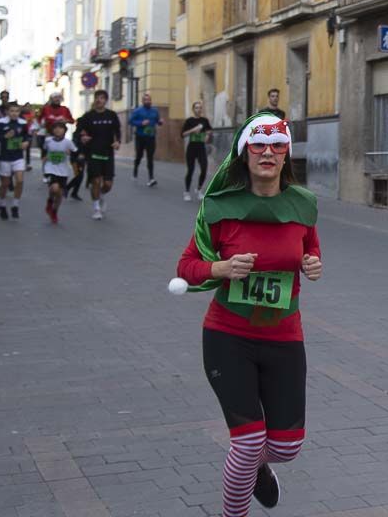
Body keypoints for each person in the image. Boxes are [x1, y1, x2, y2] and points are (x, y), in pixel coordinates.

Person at [175, 113, 322, 517]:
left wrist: (312, 265)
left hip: (285, 337)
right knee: (246, 440)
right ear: (244, 152)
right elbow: (186, 267)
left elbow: (310, 249)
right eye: (259, 145)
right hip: (228, 336)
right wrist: (220, 269)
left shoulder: (303, 205)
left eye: (277, 146)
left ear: (286, 153)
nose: (268, 153)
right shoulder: (219, 207)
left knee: (286, 447)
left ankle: (258, 467)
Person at [75, 90, 121, 220]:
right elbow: (79, 131)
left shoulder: (111, 115)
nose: (99, 100)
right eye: (97, 98)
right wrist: (83, 137)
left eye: (102, 98)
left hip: (107, 153)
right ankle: (96, 209)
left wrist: (117, 142)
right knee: (95, 180)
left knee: (107, 184)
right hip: (93, 152)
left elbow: (117, 131)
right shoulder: (88, 116)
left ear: (106, 100)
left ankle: (101, 195)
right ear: (94, 100)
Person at [0, 101, 29, 219]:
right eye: (12, 111)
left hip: (18, 156)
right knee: (5, 184)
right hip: (4, 157)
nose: (14, 113)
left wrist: (26, 142)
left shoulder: (23, 123)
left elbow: (27, 135)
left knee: (20, 180)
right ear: (7, 112)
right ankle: (2, 204)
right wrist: (4, 137)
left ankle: (15, 205)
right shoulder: (0, 123)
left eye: (17, 111)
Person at [42, 122, 77, 224]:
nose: (58, 130)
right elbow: (44, 151)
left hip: (63, 171)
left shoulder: (68, 142)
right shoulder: (48, 141)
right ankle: (50, 200)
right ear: (52, 130)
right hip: (50, 169)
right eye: (55, 128)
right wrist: (44, 159)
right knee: (55, 188)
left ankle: (54, 211)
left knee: (59, 194)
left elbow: (76, 151)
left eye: (60, 128)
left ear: (65, 130)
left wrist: (71, 153)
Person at [182, 101, 213, 201]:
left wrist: (207, 135)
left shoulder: (204, 120)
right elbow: (183, 134)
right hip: (191, 148)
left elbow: (209, 130)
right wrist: (193, 130)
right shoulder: (189, 121)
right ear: (193, 109)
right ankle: (186, 192)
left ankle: (199, 189)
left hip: (201, 147)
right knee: (190, 170)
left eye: (200, 108)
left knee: (204, 168)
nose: (198, 109)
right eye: (196, 108)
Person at [129, 92, 162, 186]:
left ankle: (151, 178)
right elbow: (130, 121)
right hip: (140, 137)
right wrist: (141, 123)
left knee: (150, 157)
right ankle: (135, 171)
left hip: (151, 137)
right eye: (146, 100)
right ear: (142, 101)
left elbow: (157, 121)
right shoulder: (137, 111)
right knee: (139, 156)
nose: (148, 101)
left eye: (149, 100)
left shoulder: (155, 111)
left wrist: (160, 122)